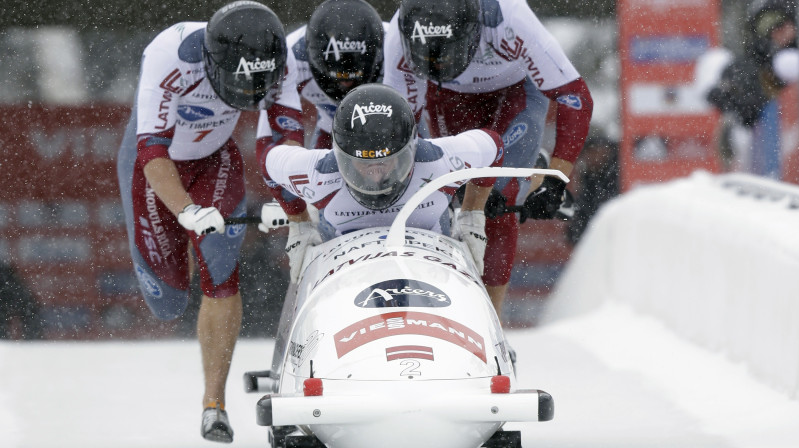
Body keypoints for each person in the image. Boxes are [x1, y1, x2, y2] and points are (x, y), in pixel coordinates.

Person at [116, 1, 304, 443]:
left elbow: (286, 137)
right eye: (239, 84)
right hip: (154, 168)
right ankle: (177, 247)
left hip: (214, 159)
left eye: (257, 86)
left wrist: (286, 197)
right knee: (168, 302)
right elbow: (151, 153)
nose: (247, 94)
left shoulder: (281, 60)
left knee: (222, 271)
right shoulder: (170, 55)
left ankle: (213, 405)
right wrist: (187, 212)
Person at [382, 0, 593, 324]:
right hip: (443, 96)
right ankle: (432, 309)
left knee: (497, 197)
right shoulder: (399, 35)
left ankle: (490, 323)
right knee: (436, 194)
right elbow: (400, 124)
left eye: (448, 53)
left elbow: (575, 95)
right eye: (429, 57)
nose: (440, 62)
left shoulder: (508, 18)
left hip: (514, 92)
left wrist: (556, 179)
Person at [261, 83, 506, 284]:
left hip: (431, 268)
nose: (376, 175)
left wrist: (473, 214)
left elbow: (494, 146)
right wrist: (299, 224)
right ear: (340, 155)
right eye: (362, 163)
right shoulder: (317, 173)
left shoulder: (440, 161)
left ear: (411, 149)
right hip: (344, 273)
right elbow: (267, 164)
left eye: (387, 162)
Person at [705, 0, 798, 179]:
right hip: (761, 166)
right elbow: (727, 99)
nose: (781, 32)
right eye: (773, 27)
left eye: (784, 25)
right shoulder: (750, 65)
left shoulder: (785, 61)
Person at [285, 0, 386, 149]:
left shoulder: (393, 46)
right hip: (330, 125)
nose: (345, 84)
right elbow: (276, 127)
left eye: (354, 77)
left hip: (386, 122)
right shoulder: (291, 56)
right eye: (338, 78)